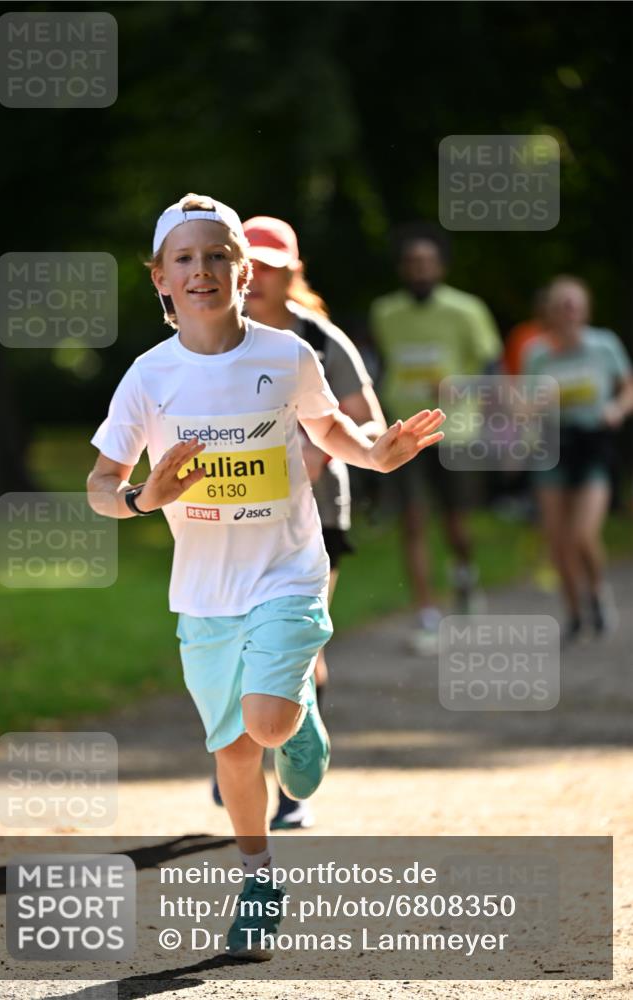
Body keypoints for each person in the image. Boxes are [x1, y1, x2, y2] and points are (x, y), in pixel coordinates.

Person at [86, 192, 446, 960]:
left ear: (243, 272)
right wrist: (141, 497)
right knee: (236, 755)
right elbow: (100, 482)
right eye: (184, 258)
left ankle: (297, 716)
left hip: (286, 571)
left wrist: (376, 452)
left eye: (217, 255)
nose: (202, 270)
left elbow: (330, 427)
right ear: (159, 278)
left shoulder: (287, 356)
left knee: (269, 724)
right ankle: (259, 878)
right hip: (204, 594)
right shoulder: (149, 378)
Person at [237, 214, 387, 830]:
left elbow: (371, 424)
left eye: (274, 266)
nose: (260, 278)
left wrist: (322, 449)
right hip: (233, 519)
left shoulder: (320, 342)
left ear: (291, 273)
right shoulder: (212, 340)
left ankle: (294, 786)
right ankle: (241, 761)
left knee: (296, 646)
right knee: (237, 648)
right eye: (252, 263)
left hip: (314, 519)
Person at [369, 223, 501, 650]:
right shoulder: (385, 312)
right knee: (412, 521)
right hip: (403, 432)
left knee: (455, 522)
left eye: (426, 262)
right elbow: (381, 365)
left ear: (440, 266)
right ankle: (427, 615)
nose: (419, 269)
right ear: (403, 269)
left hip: (454, 431)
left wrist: (467, 388)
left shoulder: (466, 310)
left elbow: (491, 365)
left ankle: (465, 575)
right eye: (412, 263)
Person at [524, 275, 633, 641]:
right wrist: (533, 406)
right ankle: (573, 613)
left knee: (582, 534)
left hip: (594, 444)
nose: (569, 311)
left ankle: (597, 592)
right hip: (553, 448)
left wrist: (617, 407)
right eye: (561, 305)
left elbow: (628, 385)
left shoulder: (604, 345)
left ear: (585, 308)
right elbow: (523, 406)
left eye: (574, 304)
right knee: (558, 540)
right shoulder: (538, 353)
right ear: (550, 313)